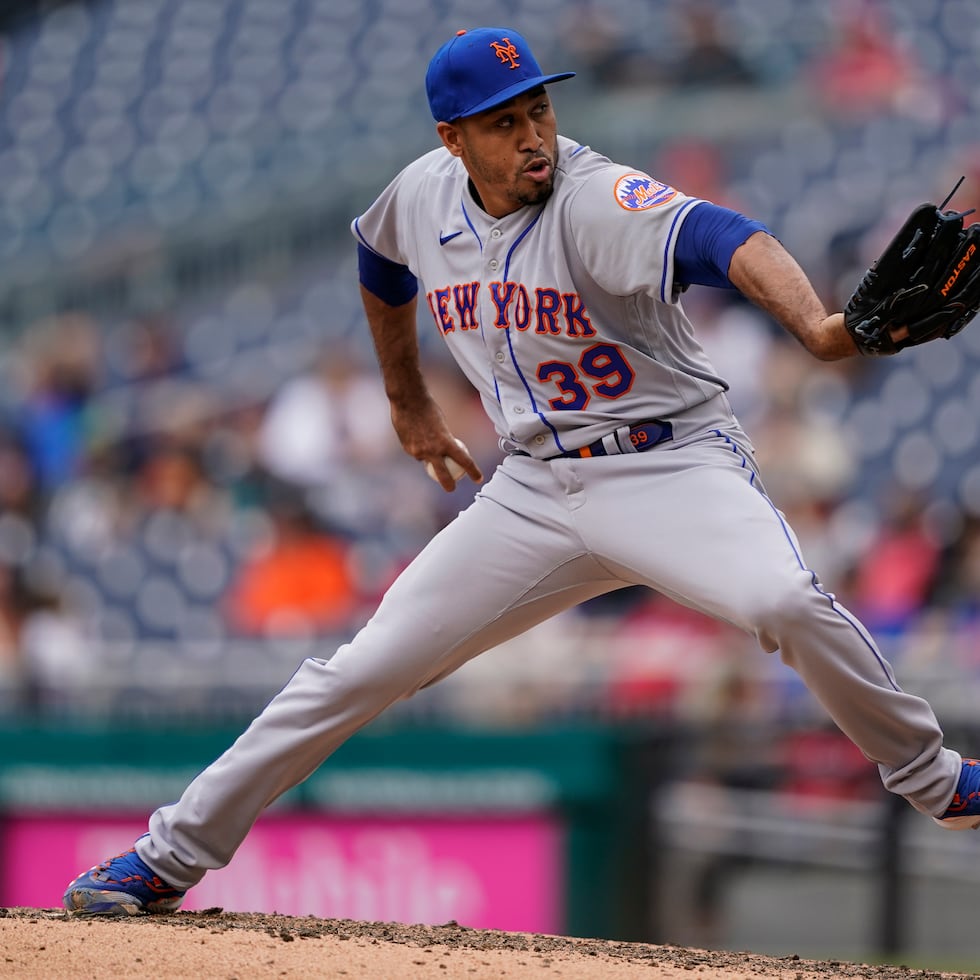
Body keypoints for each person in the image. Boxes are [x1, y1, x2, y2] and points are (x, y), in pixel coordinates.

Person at [63, 25, 980, 917]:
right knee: (354, 674)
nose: (533, 135)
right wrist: (407, 401)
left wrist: (818, 328)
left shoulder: (594, 198)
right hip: (534, 490)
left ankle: (936, 781)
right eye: (505, 123)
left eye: (538, 110)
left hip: (667, 466)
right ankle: (167, 858)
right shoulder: (420, 197)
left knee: (783, 603)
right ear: (452, 139)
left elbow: (727, 238)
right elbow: (380, 262)